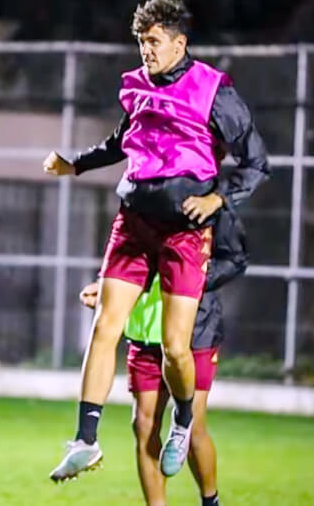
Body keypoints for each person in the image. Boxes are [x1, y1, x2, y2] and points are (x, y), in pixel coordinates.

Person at [44, 0, 269, 481]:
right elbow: (119, 143)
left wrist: (218, 199)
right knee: (106, 325)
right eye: (141, 42)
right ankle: (85, 439)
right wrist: (75, 164)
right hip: (134, 221)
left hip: (185, 231)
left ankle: (184, 420)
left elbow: (256, 162)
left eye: (154, 42)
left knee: (174, 348)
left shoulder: (213, 90)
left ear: (179, 43)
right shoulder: (134, 87)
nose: (145, 51)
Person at [79, 200, 245, 506]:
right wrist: (107, 290)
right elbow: (128, 264)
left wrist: (181, 280)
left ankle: (210, 501)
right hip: (144, 331)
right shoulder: (137, 200)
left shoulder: (209, 202)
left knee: (194, 429)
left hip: (194, 331)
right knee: (143, 425)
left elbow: (235, 259)